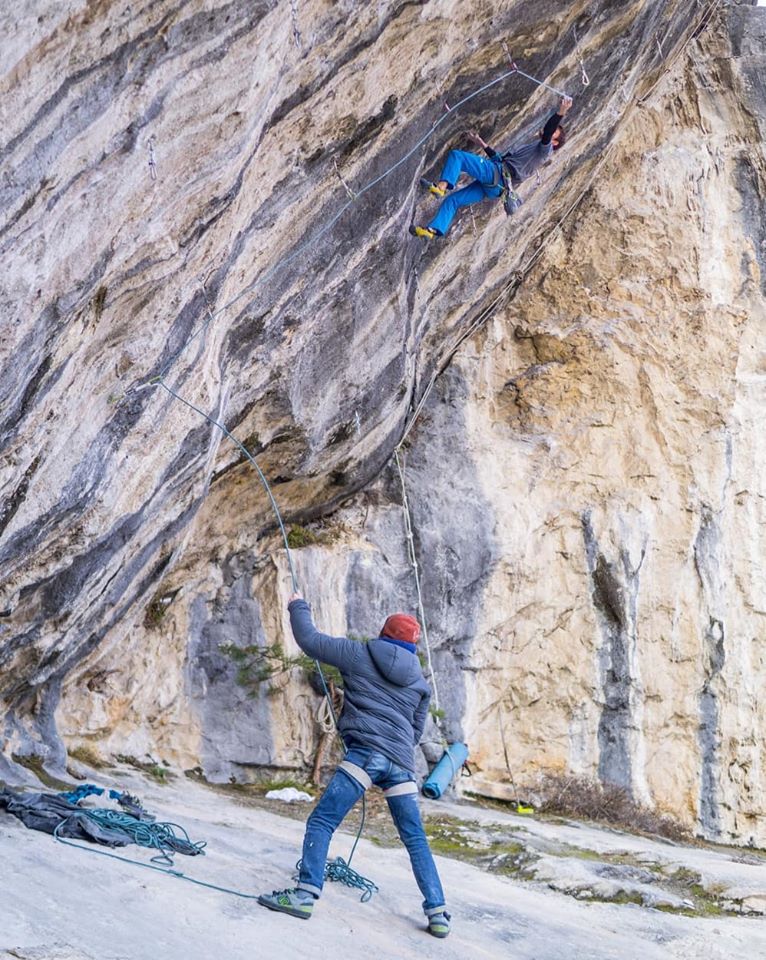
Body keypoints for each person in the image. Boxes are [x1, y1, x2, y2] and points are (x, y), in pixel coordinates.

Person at [258, 594, 450, 939]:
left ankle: (304, 896)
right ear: (412, 645)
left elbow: (309, 640)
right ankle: (438, 912)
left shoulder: (359, 654)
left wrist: (298, 604)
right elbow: (416, 730)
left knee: (323, 821)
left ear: (384, 633)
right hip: (402, 764)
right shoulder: (420, 683)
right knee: (415, 839)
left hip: (365, 755)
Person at [410, 94, 573, 239]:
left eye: (553, 133)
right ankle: (433, 230)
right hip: (496, 188)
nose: (547, 131)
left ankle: (441, 187)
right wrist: (483, 144)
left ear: (555, 142)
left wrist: (561, 112)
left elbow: (548, 130)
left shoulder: (545, 151)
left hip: (497, 175)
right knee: (453, 201)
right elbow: (501, 159)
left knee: (457, 156)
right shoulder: (534, 150)